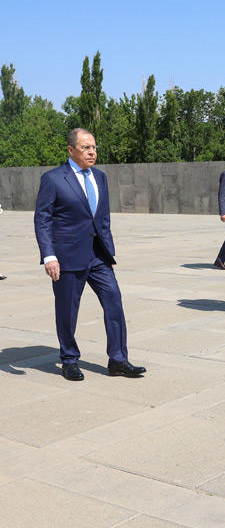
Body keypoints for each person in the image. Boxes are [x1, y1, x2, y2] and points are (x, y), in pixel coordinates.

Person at [34, 128, 146, 381]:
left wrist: (109, 253)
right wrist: (49, 256)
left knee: (114, 302)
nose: (92, 152)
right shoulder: (53, 179)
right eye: (86, 148)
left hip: (99, 257)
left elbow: (102, 219)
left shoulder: (100, 177)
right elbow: (42, 219)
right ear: (71, 150)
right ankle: (69, 360)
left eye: (94, 147)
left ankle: (118, 359)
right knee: (67, 311)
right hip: (67, 257)